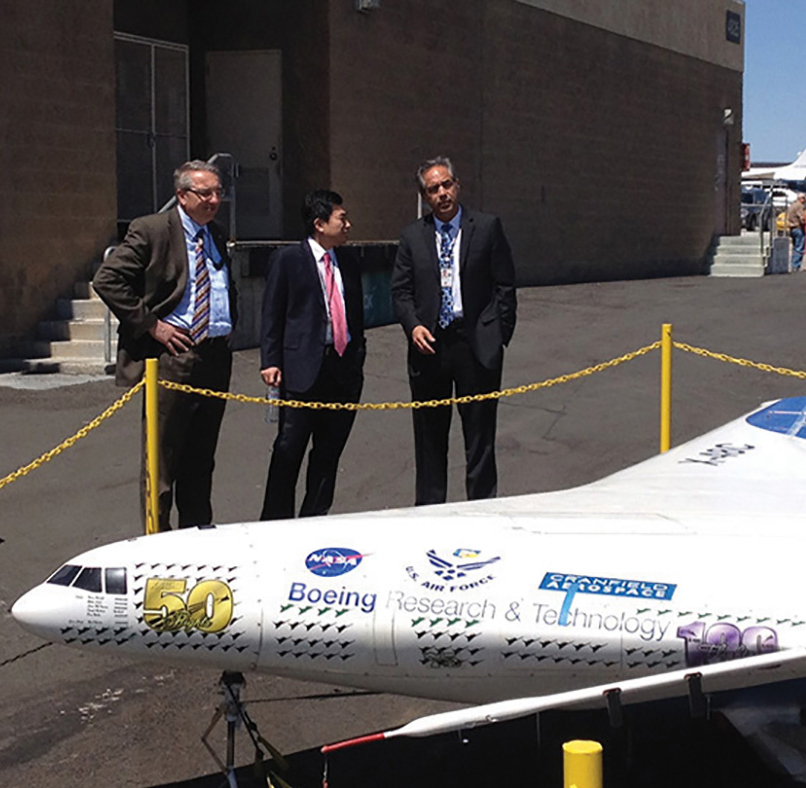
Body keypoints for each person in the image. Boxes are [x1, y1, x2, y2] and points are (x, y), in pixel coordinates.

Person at [93, 160, 236, 531]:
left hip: (215, 355)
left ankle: (197, 533)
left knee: (202, 456)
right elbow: (108, 280)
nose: (214, 200)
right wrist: (153, 326)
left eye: (219, 192)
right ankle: (157, 537)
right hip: (174, 357)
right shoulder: (153, 229)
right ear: (182, 196)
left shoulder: (216, 234)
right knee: (163, 456)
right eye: (206, 193)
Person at [391, 156, 517, 505]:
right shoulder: (412, 236)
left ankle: (482, 506)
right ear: (424, 196)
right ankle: (431, 510)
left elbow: (505, 284)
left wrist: (499, 334)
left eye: (447, 185)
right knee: (430, 436)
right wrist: (413, 325)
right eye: (434, 189)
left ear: (457, 185)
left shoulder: (487, 227)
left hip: (475, 342)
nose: (442, 193)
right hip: (430, 346)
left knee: (479, 435)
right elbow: (400, 291)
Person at [259, 190, 365, 520]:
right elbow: (272, 313)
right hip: (302, 371)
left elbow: (356, 312)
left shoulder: (348, 260)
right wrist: (271, 360)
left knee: (329, 452)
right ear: (320, 224)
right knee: (289, 449)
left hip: (342, 370)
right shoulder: (289, 260)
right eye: (341, 218)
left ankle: (315, 519)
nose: (348, 224)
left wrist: (357, 354)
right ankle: (275, 522)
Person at [786, 193, 806, 271]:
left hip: (792, 228)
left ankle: (793, 264)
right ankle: (796, 265)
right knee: (800, 248)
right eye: (804, 198)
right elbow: (802, 217)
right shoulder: (799, 206)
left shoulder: (792, 206)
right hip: (798, 228)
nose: (805, 200)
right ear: (801, 198)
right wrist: (805, 222)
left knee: (795, 247)